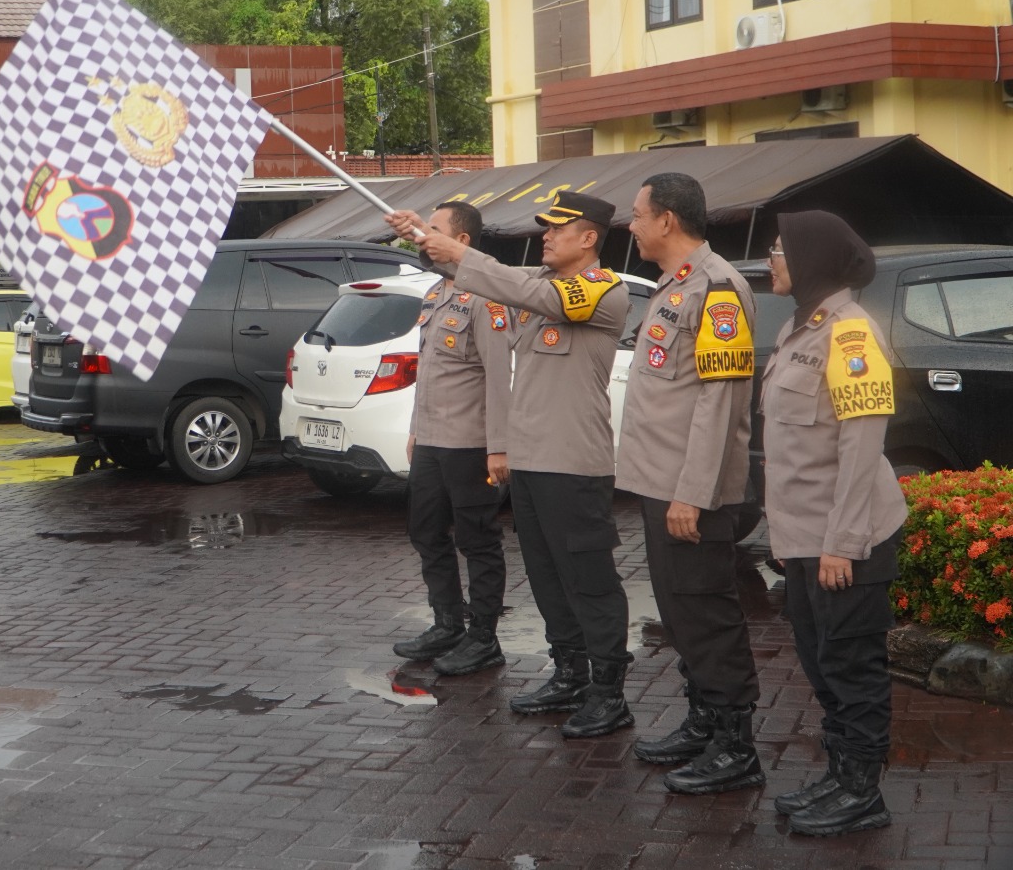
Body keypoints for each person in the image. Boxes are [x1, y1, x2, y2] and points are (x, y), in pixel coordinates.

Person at [388, 190, 634, 739]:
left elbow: (507, 282)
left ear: (589, 238)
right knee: (547, 576)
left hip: (574, 462)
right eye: (544, 228)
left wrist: (450, 246)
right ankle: (569, 671)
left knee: (589, 581)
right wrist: (426, 240)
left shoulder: (601, 290)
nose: (545, 235)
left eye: (558, 229)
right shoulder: (540, 289)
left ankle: (609, 690)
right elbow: (488, 281)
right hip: (532, 462)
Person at [760, 211, 906, 836]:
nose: (772, 260)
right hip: (804, 537)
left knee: (851, 665)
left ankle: (862, 792)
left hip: (846, 539)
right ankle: (839, 772)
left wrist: (842, 545)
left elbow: (860, 446)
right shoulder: (805, 328)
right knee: (821, 664)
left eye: (779, 251)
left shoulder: (851, 336)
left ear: (812, 258)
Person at [618, 172, 764, 794]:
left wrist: (692, 493)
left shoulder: (718, 289)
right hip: (663, 482)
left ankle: (736, 744)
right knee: (680, 610)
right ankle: (704, 719)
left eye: (638, 214)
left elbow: (719, 403)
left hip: (692, 491)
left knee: (706, 613)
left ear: (668, 220)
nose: (631, 224)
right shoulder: (673, 286)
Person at [391, 201, 513, 676]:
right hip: (433, 442)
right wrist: (416, 431)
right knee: (424, 531)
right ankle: (447, 624)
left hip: (470, 445)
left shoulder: (488, 296)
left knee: (477, 540)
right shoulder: (436, 293)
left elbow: (499, 377)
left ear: (462, 242)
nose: (424, 238)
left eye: (433, 230)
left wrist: (499, 447)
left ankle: (484, 637)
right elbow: (431, 374)